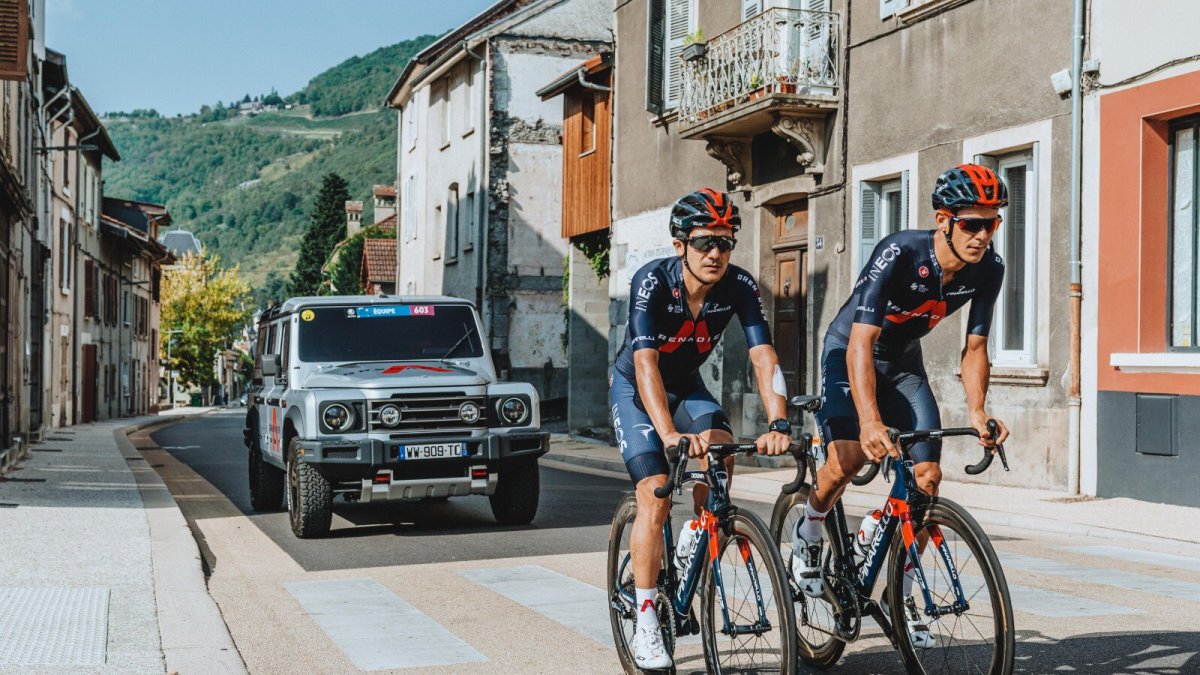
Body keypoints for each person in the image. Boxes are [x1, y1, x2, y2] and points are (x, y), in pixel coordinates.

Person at [792, 164, 1013, 648]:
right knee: (848, 458)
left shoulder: (988, 268)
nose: (982, 235)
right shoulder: (899, 252)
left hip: (904, 364)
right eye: (971, 223)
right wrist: (870, 420)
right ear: (943, 220)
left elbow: (975, 347)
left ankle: (904, 593)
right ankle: (808, 532)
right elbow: (860, 342)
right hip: (848, 350)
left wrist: (977, 412)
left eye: (991, 223)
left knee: (926, 481)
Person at [610, 188, 792, 670]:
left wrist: (778, 420)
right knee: (655, 492)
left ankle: (699, 530)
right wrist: (668, 434)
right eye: (704, 242)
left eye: (725, 243)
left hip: (686, 387)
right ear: (680, 245)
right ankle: (647, 617)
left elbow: (762, 355)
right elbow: (645, 362)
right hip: (637, 390)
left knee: (723, 453)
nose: (716, 253)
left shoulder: (739, 285)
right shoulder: (653, 282)